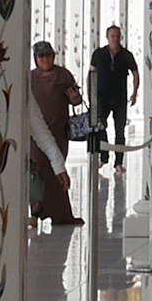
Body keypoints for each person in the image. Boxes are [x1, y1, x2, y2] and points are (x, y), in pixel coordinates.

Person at [27, 39, 84, 229]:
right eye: (41, 56)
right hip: (35, 135)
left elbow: (76, 99)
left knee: (56, 172)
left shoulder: (63, 75)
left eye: (48, 56)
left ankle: (61, 213)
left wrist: (75, 98)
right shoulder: (30, 78)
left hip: (58, 132)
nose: (45, 60)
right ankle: (35, 211)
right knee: (37, 172)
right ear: (36, 59)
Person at [89, 25, 138, 160]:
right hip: (101, 96)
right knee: (100, 126)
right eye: (112, 36)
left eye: (117, 36)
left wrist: (135, 92)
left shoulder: (126, 55)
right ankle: (104, 156)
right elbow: (92, 73)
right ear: (107, 37)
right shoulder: (98, 54)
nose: (115, 39)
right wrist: (91, 95)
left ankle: (119, 162)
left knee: (120, 130)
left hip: (119, 98)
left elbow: (135, 73)